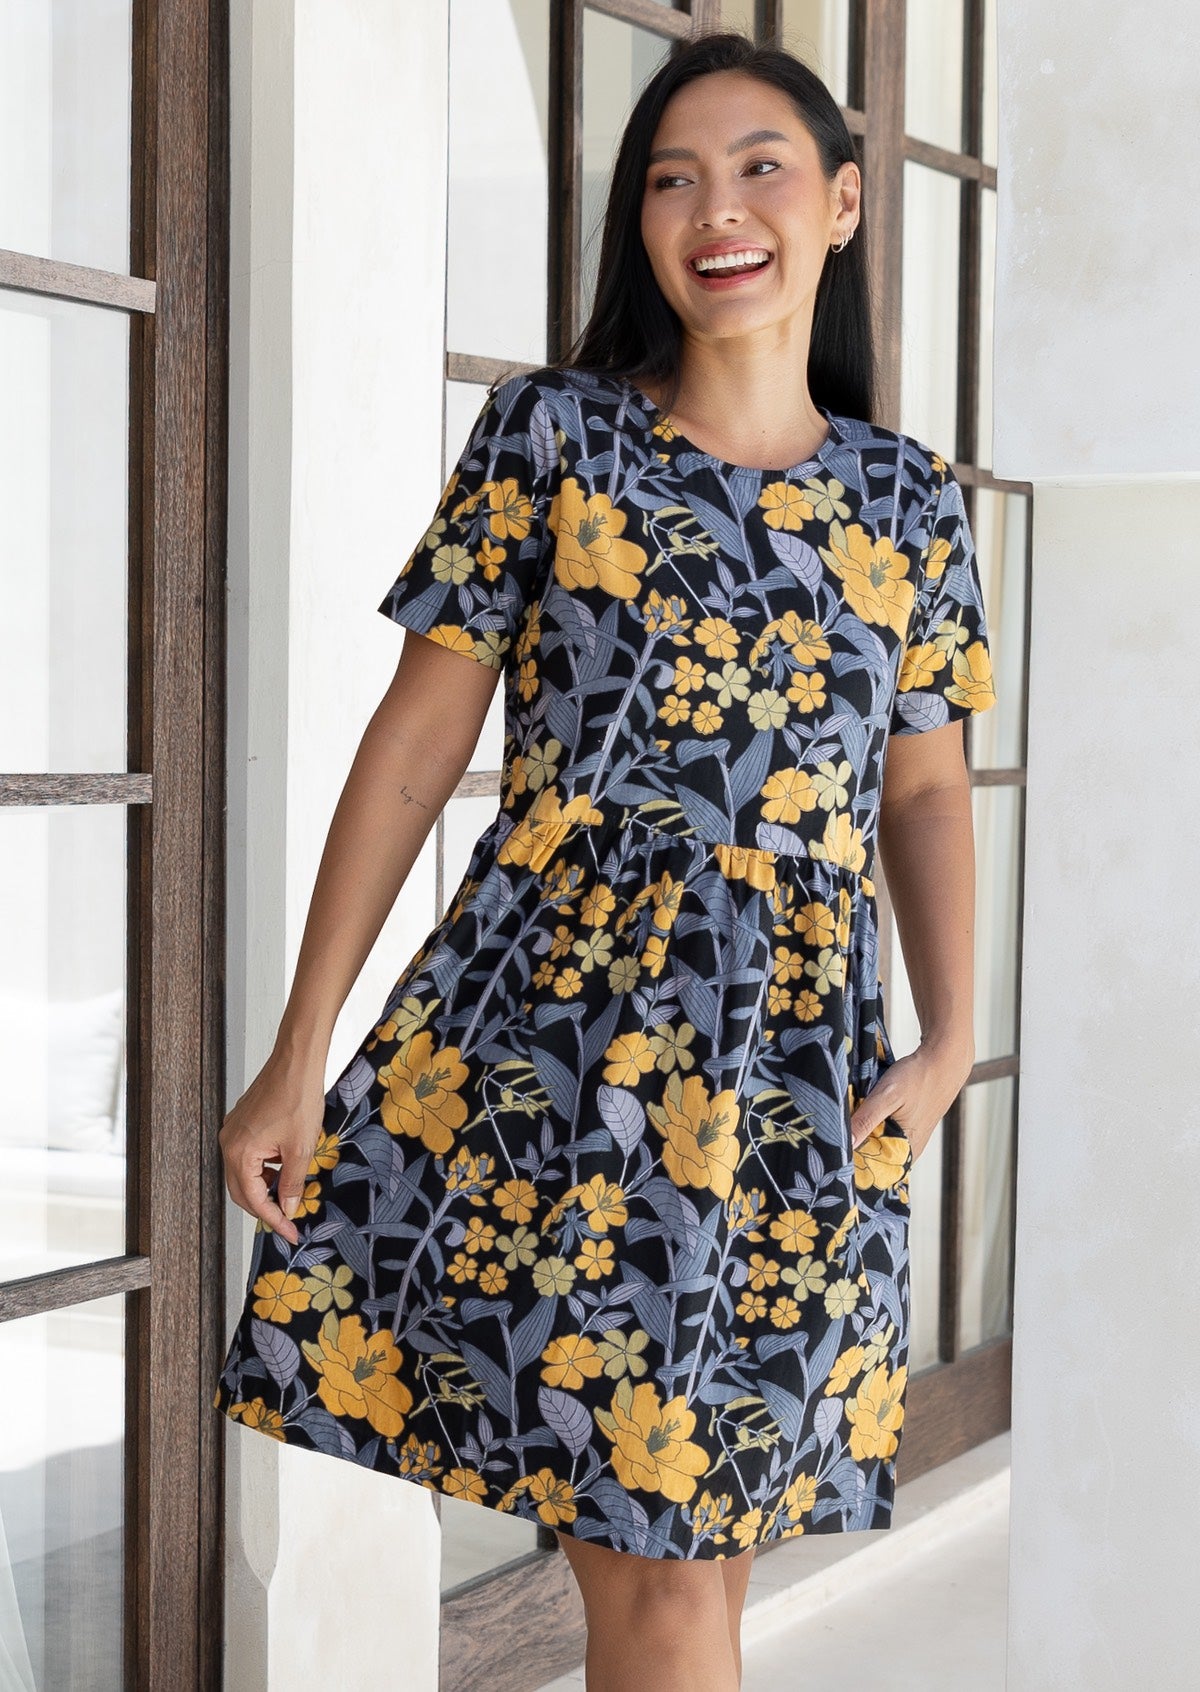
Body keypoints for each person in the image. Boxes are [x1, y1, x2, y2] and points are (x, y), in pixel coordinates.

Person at [215, 29, 996, 1692]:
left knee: (698, 1580)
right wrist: (299, 1050)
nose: (716, 210)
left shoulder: (911, 503)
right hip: (572, 1057)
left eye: (760, 168)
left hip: (797, 1080)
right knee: (660, 1583)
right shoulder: (553, 436)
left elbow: (924, 794)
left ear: (843, 203)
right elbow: (414, 749)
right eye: (671, 180)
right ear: (640, 225)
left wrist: (949, 1039)